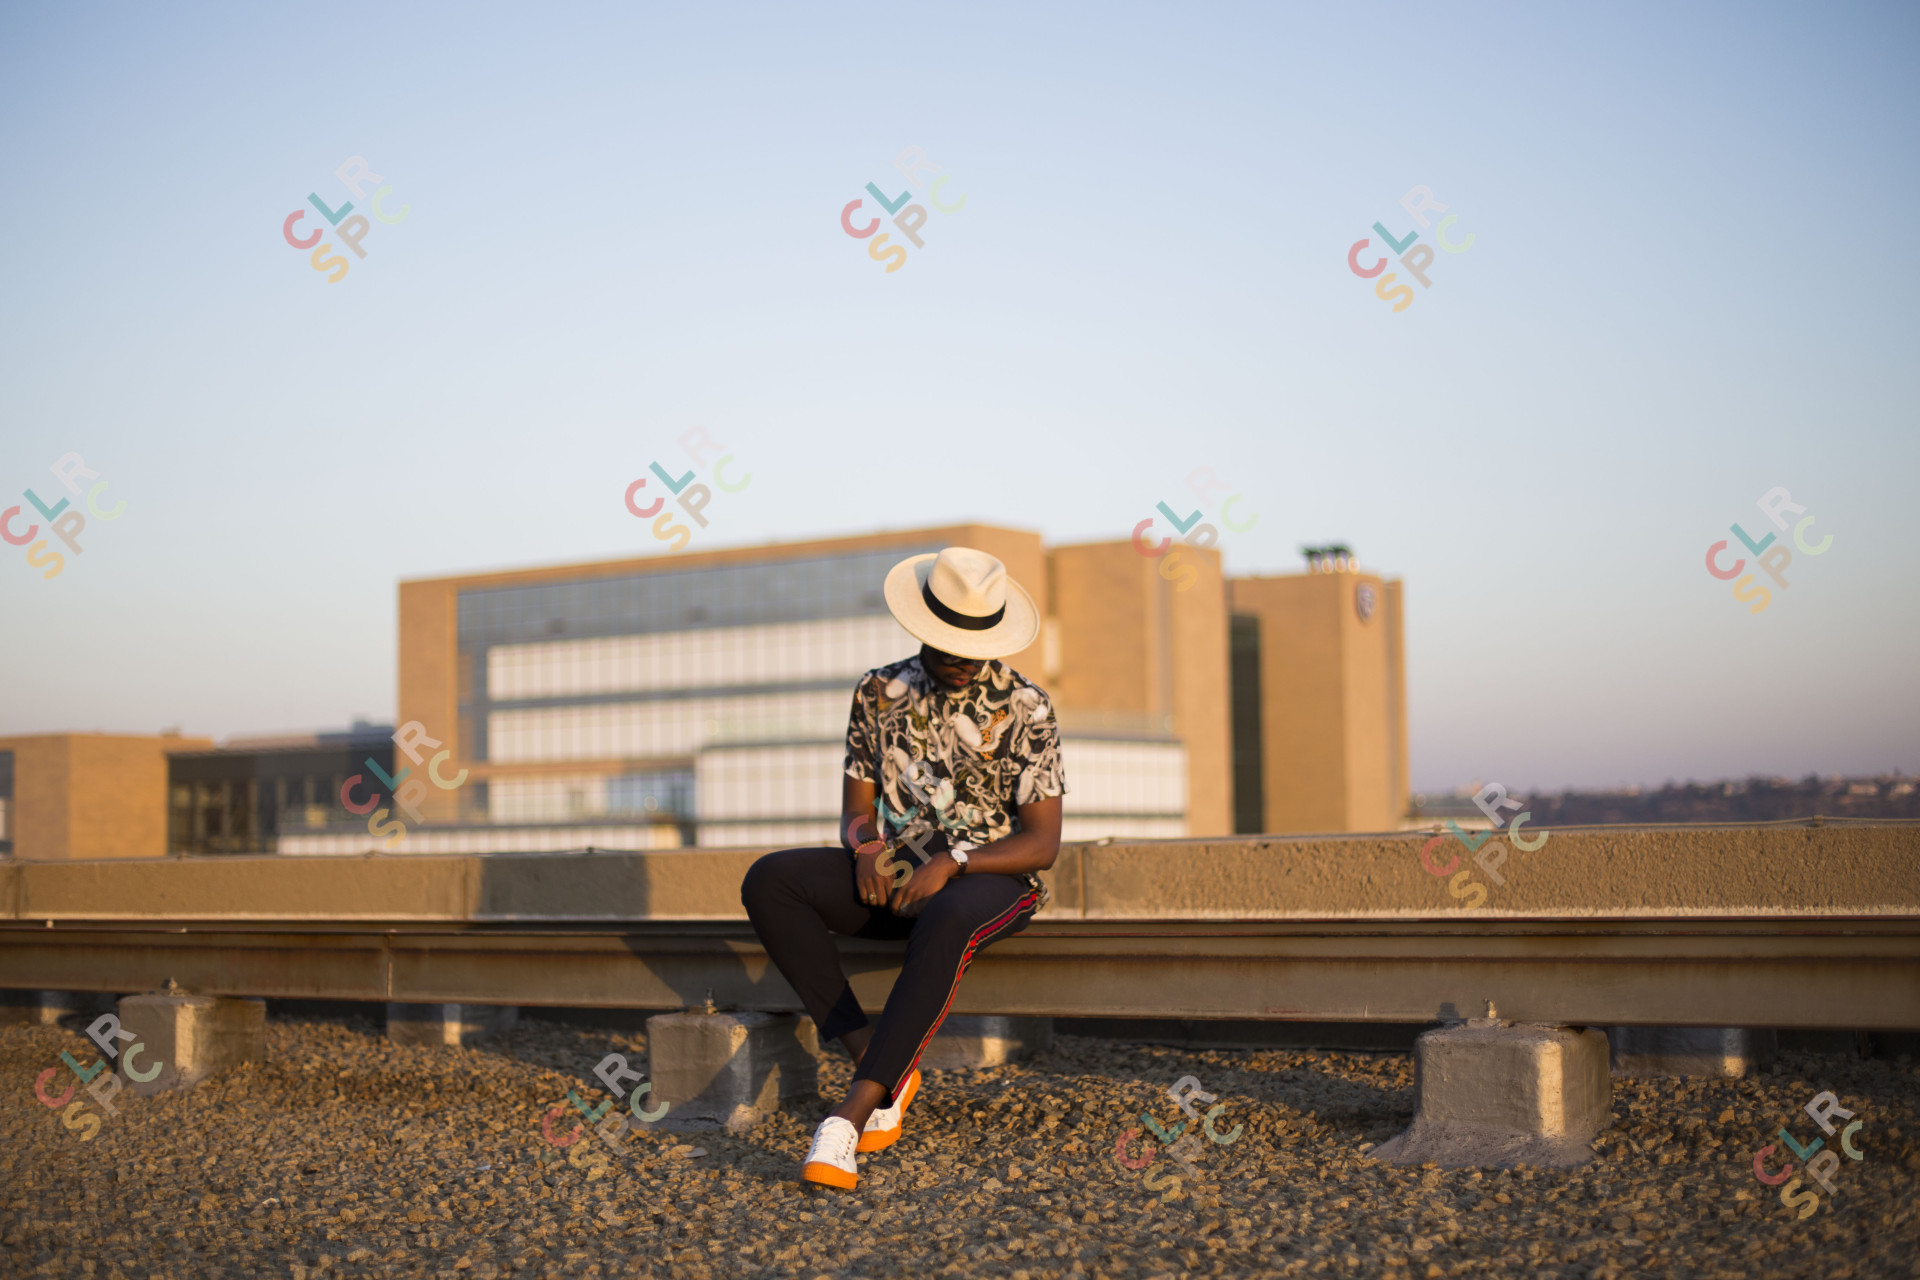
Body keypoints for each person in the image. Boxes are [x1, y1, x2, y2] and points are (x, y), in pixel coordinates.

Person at [740, 546, 1066, 1190]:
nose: (963, 662)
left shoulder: (1028, 706)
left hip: (990, 880)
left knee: (947, 911)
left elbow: (1043, 843)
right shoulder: (877, 690)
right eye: (948, 647)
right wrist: (864, 848)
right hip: (894, 874)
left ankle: (850, 1115)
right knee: (771, 879)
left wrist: (955, 861)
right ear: (922, 629)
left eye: (974, 649)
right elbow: (856, 811)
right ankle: (879, 1062)